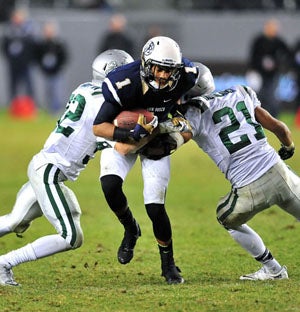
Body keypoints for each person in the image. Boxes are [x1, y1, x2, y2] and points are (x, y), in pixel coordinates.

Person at [0, 49, 134, 286]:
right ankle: (4, 263)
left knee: (15, 221)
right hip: (50, 171)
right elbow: (122, 147)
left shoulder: (85, 88)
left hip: (44, 164)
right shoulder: (103, 102)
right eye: (126, 73)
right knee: (71, 236)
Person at [93, 36, 215, 284]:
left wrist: (176, 134)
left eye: (168, 70)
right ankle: (130, 228)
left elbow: (189, 119)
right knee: (110, 185)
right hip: (125, 136)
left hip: (156, 137)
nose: (162, 75)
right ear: (147, 65)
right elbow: (98, 127)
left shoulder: (187, 75)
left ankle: (168, 263)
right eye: (158, 68)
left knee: (155, 206)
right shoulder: (123, 82)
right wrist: (128, 134)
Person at [176, 84, 297, 280]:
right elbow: (278, 127)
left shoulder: (194, 112)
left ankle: (273, 269)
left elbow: (172, 143)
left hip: (249, 188)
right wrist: (289, 146)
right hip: (279, 172)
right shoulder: (241, 91)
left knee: (226, 219)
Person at [247, 18, 291, 118]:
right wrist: (253, 69)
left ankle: (274, 118)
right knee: (258, 96)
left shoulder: (279, 42)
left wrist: (278, 64)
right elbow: (253, 56)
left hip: (273, 74)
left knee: (272, 96)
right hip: (259, 73)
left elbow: (287, 54)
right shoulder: (259, 40)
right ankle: (259, 118)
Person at [1, 8, 37, 104]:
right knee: (13, 85)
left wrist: (28, 59)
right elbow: (4, 47)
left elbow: (32, 47)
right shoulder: (9, 30)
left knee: (28, 85)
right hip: (13, 63)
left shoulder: (28, 31)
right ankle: (13, 105)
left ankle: (31, 105)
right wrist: (9, 58)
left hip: (25, 63)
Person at [35, 21, 68, 115]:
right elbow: (37, 56)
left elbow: (64, 57)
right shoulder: (41, 44)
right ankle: (47, 109)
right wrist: (42, 67)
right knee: (46, 91)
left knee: (57, 91)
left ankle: (57, 109)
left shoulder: (59, 43)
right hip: (45, 72)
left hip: (56, 71)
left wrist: (59, 66)